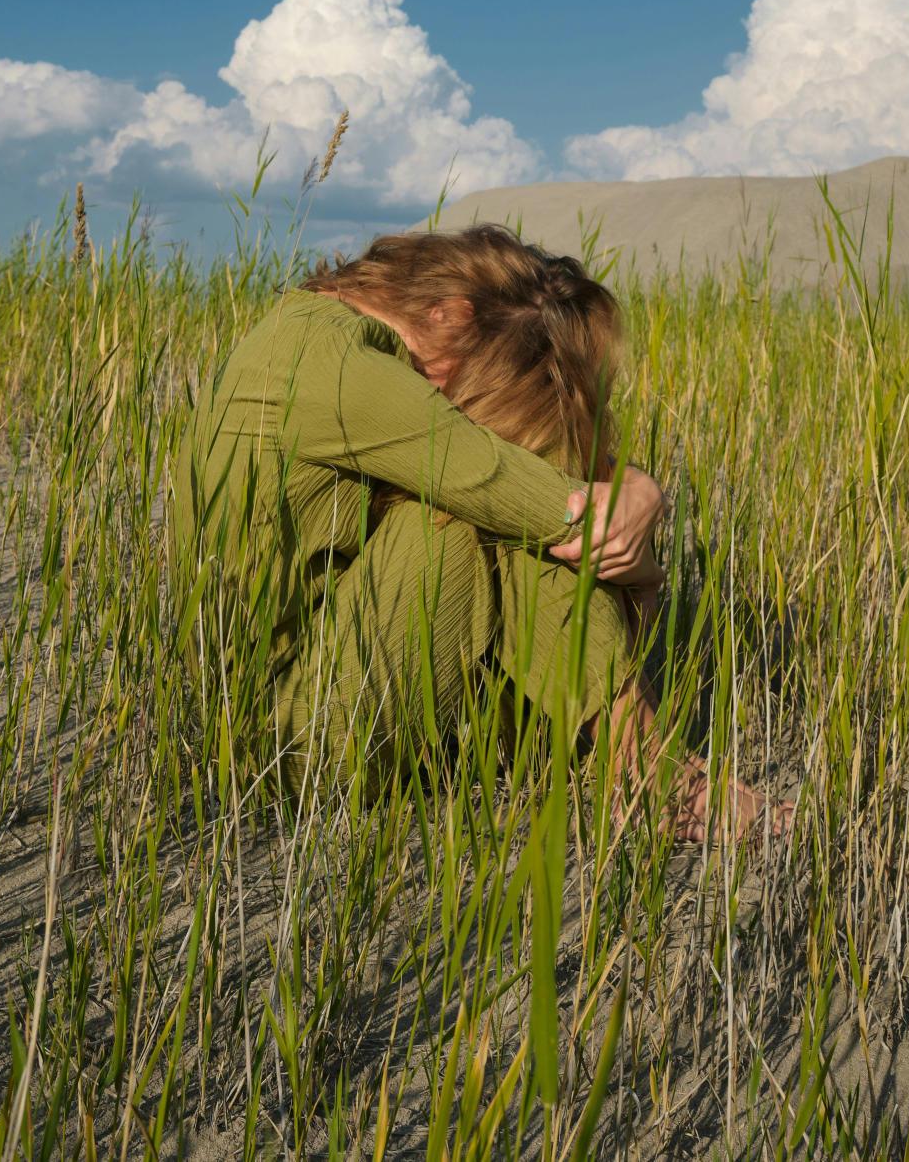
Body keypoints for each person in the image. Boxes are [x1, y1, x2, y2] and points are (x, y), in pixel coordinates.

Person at [176, 225, 789, 839]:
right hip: (287, 746)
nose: (456, 397)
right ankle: (652, 772)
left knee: (500, 497)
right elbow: (527, 491)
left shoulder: (310, 337)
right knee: (484, 511)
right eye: (467, 369)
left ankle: (632, 756)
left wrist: (638, 488)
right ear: (450, 312)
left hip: (321, 692)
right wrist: (647, 562)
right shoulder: (337, 369)